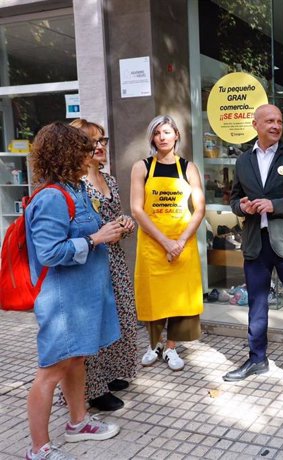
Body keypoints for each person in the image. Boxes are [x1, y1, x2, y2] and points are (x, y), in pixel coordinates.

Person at [25, 122, 125, 460]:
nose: (93, 154)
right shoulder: (53, 196)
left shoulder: (77, 189)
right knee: (51, 371)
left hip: (81, 298)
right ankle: (38, 449)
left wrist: (112, 230)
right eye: (86, 150)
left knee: (76, 360)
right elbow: (49, 253)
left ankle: (78, 423)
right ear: (67, 155)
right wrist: (96, 238)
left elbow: (88, 231)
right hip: (62, 302)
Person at [223, 104, 283, 388]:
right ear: (255, 125)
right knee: (257, 305)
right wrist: (241, 206)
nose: (276, 126)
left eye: (279, 121)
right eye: (270, 121)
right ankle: (257, 359)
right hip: (255, 243)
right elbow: (234, 199)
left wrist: (274, 205)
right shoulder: (243, 161)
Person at [66, 119, 138, 411]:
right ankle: (92, 389)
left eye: (102, 140)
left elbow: (116, 218)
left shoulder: (109, 180)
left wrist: (126, 224)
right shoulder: (75, 183)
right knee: (94, 322)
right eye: (92, 141)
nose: (99, 147)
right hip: (90, 261)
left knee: (120, 316)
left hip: (115, 259)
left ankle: (108, 374)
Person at [130, 115, 205, 371]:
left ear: (176, 136)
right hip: (153, 243)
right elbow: (137, 210)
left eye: (166, 132)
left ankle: (171, 348)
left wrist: (180, 241)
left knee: (177, 298)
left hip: (182, 243)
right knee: (154, 297)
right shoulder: (141, 167)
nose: (162, 137)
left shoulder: (188, 168)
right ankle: (155, 344)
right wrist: (165, 242)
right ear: (152, 138)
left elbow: (199, 208)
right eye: (157, 133)